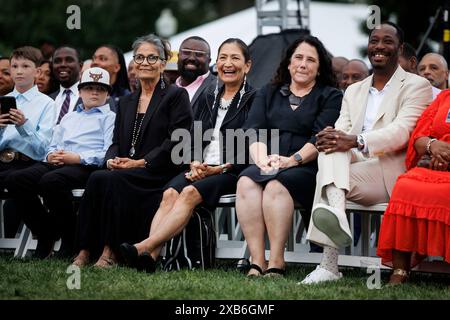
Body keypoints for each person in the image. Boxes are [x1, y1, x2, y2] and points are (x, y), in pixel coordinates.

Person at [301, 22, 433, 285]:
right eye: (374, 41)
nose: (379, 47)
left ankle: (328, 264)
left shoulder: (417, 86)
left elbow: (401, 132)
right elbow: (342, 128)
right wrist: (332, 136)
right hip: (354, 168)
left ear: (399, 48)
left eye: (387, 41)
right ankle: (337, 217)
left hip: (390, 172)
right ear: (368, 47)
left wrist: (354, 140)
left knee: (328, 173)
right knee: (329, 152)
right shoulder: (354, 89)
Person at [120, 38, 256, 272]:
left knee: (189, 192)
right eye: (223, 57)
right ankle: (150, 258)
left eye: (235, 58)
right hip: (200, 167)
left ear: (247, 66)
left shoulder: (255, 98)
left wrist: (220, 167)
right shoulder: (208, 96)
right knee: (170, 192)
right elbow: (190, 135)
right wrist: (193, 161)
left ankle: (145, 246)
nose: (228, 63)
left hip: (232, 171)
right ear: (216, 63)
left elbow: (255, 142)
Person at [72, 34, 192, 268]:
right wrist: (111, 160)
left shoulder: (176, 95)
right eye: (139, 57)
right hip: (127, 168)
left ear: (162, 61)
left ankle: (111, 251)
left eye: (151, 57)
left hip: (159, 171)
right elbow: (115, 141)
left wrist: (141, 162)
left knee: (115, 180)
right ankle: (85, 250)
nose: (144, 62)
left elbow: (177, 141)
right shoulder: (126, 101)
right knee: (99, 177)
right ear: (133, 63)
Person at [236, 35, 342, 277]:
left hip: (306, 167)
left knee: (275, 185)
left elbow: (320, 137)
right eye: (298, 58)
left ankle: (276, 261)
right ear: (288, 63)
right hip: (270, 161)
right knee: (245, 181)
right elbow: (253, 129)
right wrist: (262, 159)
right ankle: (256, 260)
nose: (303, 64)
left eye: (310, 60)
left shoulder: (331, 96)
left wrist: (291, 160)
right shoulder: (268, 92)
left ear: (319, 67)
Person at [4, 67, 116, 258]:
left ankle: (70, 238)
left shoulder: (110, 117)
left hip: (84, 166)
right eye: (89, 88)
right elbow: (52, 144)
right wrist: (50, 156)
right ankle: (45, 231)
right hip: (57, 162)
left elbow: (107, 152)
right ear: (80, 92)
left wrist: (78, 158)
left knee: (51, 182)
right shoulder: (69, 116)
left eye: (100, 88)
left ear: (107, 94)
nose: (95, 92)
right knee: (16, 179)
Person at [377, 90, 450, 285]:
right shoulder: (444, 98)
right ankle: (400, 270)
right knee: (405, 186)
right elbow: (419, 138)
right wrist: (433, 146)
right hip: (434, 166)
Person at [0, 46, 55, 189]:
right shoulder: (2, 100)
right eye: (14, 66)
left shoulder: (47, 103)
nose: (19, 71)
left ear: (37, 72)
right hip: (2, 161)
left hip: (27, 163)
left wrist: (24, 125)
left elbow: (43, 149)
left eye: (25, 66)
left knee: (15, 180)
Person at [175, 36, 216, 114]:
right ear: (178, 56)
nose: (192, 58)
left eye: (199, 54)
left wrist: (196, 126)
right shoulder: (167, 87)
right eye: (186, 52)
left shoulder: (218, 88)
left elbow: (201, 123)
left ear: (209, 61)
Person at [49, 46, 83, 124]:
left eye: (69, 60)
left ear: (80, 66)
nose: (62, 65)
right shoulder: (47, 100)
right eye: (57, 61)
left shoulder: (95, 98)